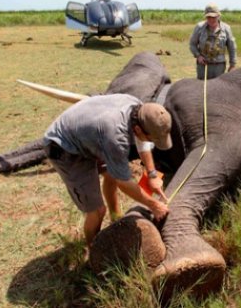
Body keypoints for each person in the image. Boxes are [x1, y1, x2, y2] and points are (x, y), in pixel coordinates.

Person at [43, 94, 171, 249]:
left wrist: (151, 174)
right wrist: (154, 205)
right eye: (152, 139)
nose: (151, 143)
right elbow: (123, 182)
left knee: (111, 175)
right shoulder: (116, 137)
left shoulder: (139, 108)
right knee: (97, 211)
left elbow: (141, 141)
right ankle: (94, 251)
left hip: (91, 135)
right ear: (138, 129)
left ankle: (115, 217)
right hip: (64, 147)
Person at [189, 3, 237, 79]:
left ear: (218, 16)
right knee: (202, 87)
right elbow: (192, 44)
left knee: (217, 88)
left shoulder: (226, 28)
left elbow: (232, 48)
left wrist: (232, 65)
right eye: (209, 17)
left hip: (219, 66)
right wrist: (198, 56)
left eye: (214, 17)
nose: (211, 19)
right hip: (203, 65)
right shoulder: (199, 27)